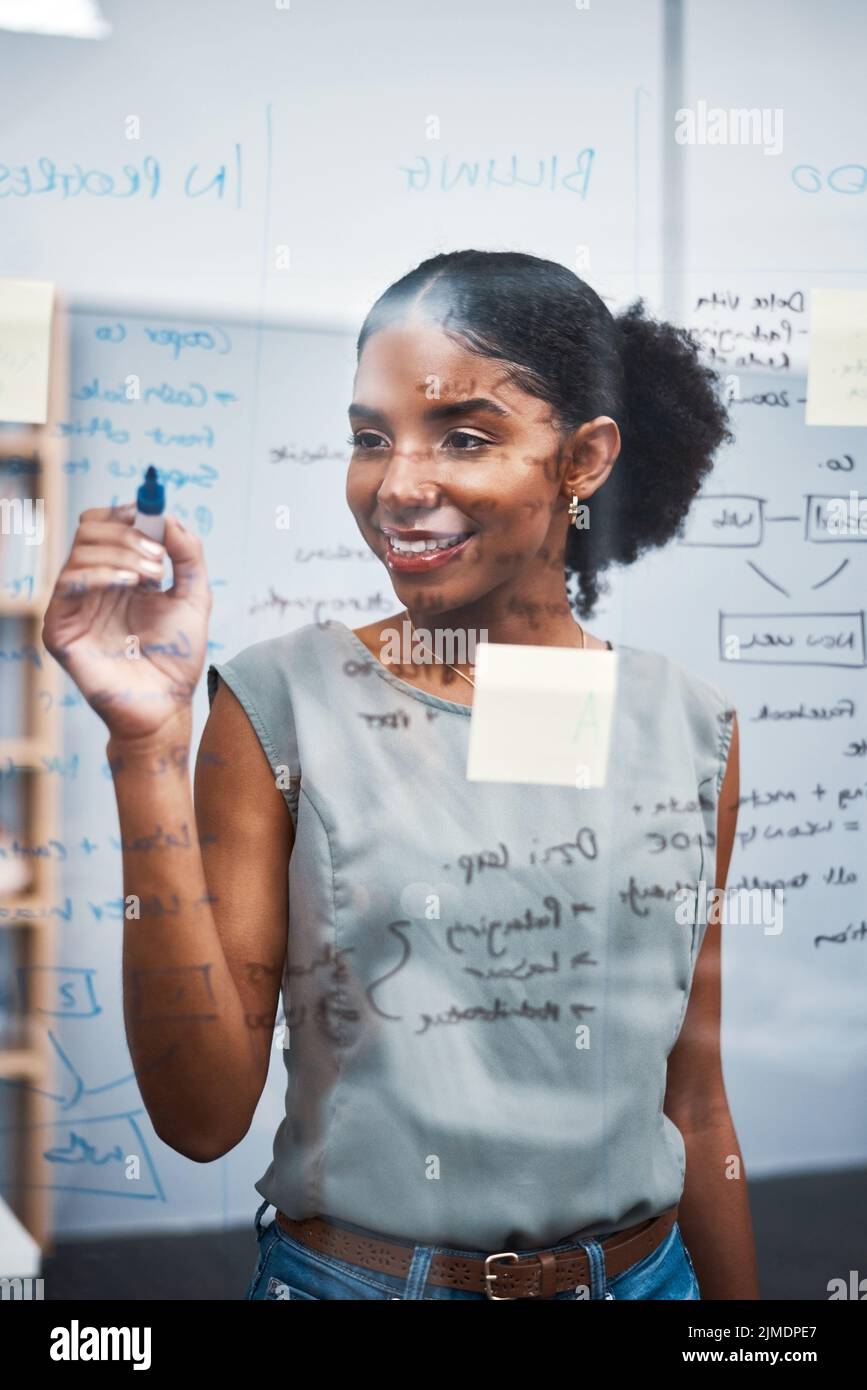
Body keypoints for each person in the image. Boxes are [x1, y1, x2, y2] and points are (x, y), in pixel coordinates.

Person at [43, 249, 760, 1300]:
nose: (399, 485)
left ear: (585, 458)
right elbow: (201, 1122)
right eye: (371, 439)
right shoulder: (277, 703)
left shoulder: (690, 727)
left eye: (465, 436)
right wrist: (142, 747)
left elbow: (694, 1099)